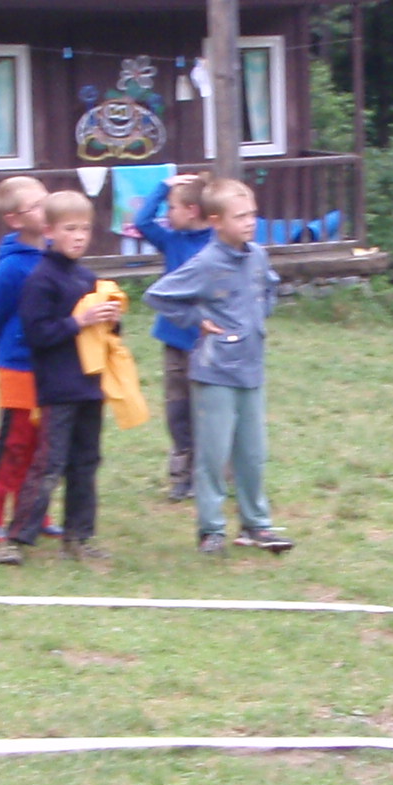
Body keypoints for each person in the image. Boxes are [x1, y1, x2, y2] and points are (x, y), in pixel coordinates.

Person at [146, 178, 292, 555]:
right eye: (239, 217)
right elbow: (159, 295)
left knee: (252, 454)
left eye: (252, 215)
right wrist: (196, 319)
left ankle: (256, 525)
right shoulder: (206, 262)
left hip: (251, 369)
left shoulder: (257, 255)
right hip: (214, 372)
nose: (249, 222)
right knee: (212, 455)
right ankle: (211, 530)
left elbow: (270, 286)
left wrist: (258, 317)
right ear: (216, 221)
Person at [5, 190, 120, 564]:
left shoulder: (87, 277)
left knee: (86, 462)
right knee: (49, 464)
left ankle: (79, 538)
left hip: (90, 386)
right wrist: (78, 321)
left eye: (85, 229)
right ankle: (16, 540)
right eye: (70, 229)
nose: (79, 236)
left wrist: (112, 321)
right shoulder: (41, 279)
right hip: (57, 387)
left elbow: (104, 335)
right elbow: (37, 333)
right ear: (49, 231)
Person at [0, 175, 49, 542]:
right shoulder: (12, 267)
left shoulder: (54, 253)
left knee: (41, 443)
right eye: (36, 206)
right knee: (12, 442)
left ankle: (33, 515)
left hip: (49, 364)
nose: (46, 210)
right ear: (14, 220)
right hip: (17, 364)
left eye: (47, 201)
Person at [131, 173, 212, 499]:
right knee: (178, 411)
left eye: (172, 208)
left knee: (208, 410)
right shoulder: (172, 240)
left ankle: (211, 474)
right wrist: (164, 186)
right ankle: (181, 476)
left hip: (208, 341)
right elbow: (141, 221)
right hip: (174, 340)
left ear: (192, 210)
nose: (167, 215)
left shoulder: (217, 243)